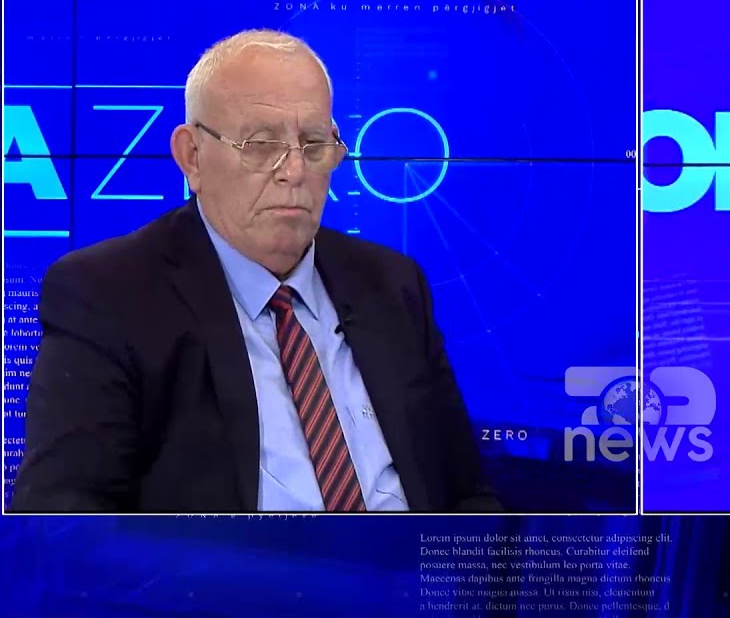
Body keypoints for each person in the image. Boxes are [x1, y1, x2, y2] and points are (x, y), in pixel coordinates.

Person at [11, 29, 501, 513]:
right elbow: (61, 518)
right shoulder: (108, 293)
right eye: (261, 144)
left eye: (314, 144)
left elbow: (465, 494)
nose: (295, 172)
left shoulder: (394, 284)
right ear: (192, 156)